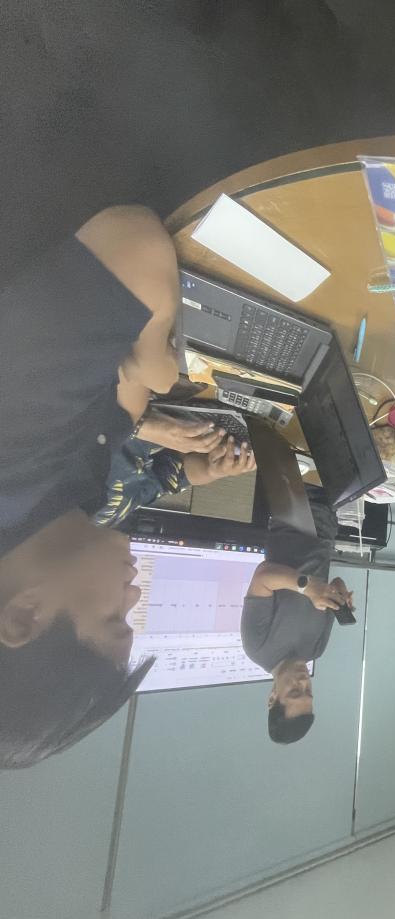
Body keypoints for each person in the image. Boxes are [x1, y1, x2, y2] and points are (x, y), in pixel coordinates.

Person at [0, 205, 183, 767]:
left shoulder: (12, 454)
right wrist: (142, 370)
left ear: (24, 616)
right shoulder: (65, 516)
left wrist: (153, 362)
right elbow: (123, 411)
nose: (133, 596)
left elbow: (134, 245)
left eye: (113, 620)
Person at [241, 513, 354, 745]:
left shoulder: (256, 647)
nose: (304, 681)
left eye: (295, 691)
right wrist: (341, 595)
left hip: (293, 517)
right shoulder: (316, 650)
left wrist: (306, 587)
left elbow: (263, 576)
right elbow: (334, 585)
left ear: (272, 698)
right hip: (326, 526)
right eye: (308, 692)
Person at [93, 431, 256, 529]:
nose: (134, 570)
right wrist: (213, 470)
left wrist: (145, 425)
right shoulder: (104, 517)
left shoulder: (81, 476)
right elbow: (168, 477)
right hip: (183, 411)